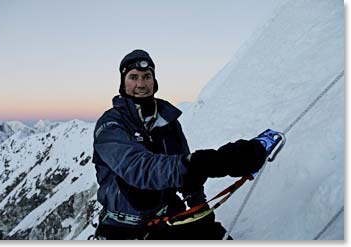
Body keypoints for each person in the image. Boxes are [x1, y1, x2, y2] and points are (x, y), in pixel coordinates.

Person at [92, 49, 279, 240]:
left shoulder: (168, 121)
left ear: (154, 81)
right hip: (122, 228)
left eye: (147, 76)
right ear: (123, 83)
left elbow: (187, 172)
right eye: (133, 77)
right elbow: (137, 168)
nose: (141, 84)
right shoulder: (110, 125)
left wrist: (199, 204)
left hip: (168, 216)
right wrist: (201, 163)